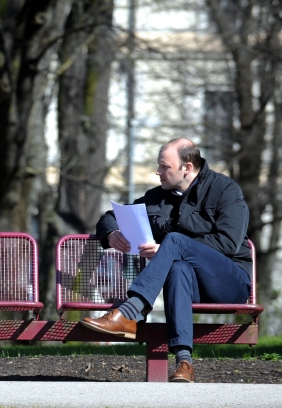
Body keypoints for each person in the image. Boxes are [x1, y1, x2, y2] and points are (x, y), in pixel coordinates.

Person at [80, 138, 252, 383]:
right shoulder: (158, 197)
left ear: (187, 168)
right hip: (192, 284)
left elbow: (228, 243)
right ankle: (184, 362)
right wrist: (111, 234)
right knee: (178, 268)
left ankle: (129, 312)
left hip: (231, 280)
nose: (157, 172)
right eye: (158, 166)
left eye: (164, 167)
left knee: (175, 241)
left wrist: (169, 247)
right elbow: (111, 216)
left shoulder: (226, 190)